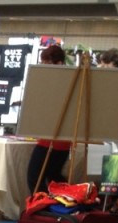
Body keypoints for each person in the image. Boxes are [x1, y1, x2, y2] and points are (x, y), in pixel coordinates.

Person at [26, 44, 71, 195]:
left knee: (36, 177)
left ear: (59, 63)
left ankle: (45, 207)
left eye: (47, 62)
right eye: (43, 62)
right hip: (54, 138)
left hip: (54, 139)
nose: (44, 66)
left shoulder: (62, 82)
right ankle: (56, 205)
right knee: (52, 177)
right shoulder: (60, 81)